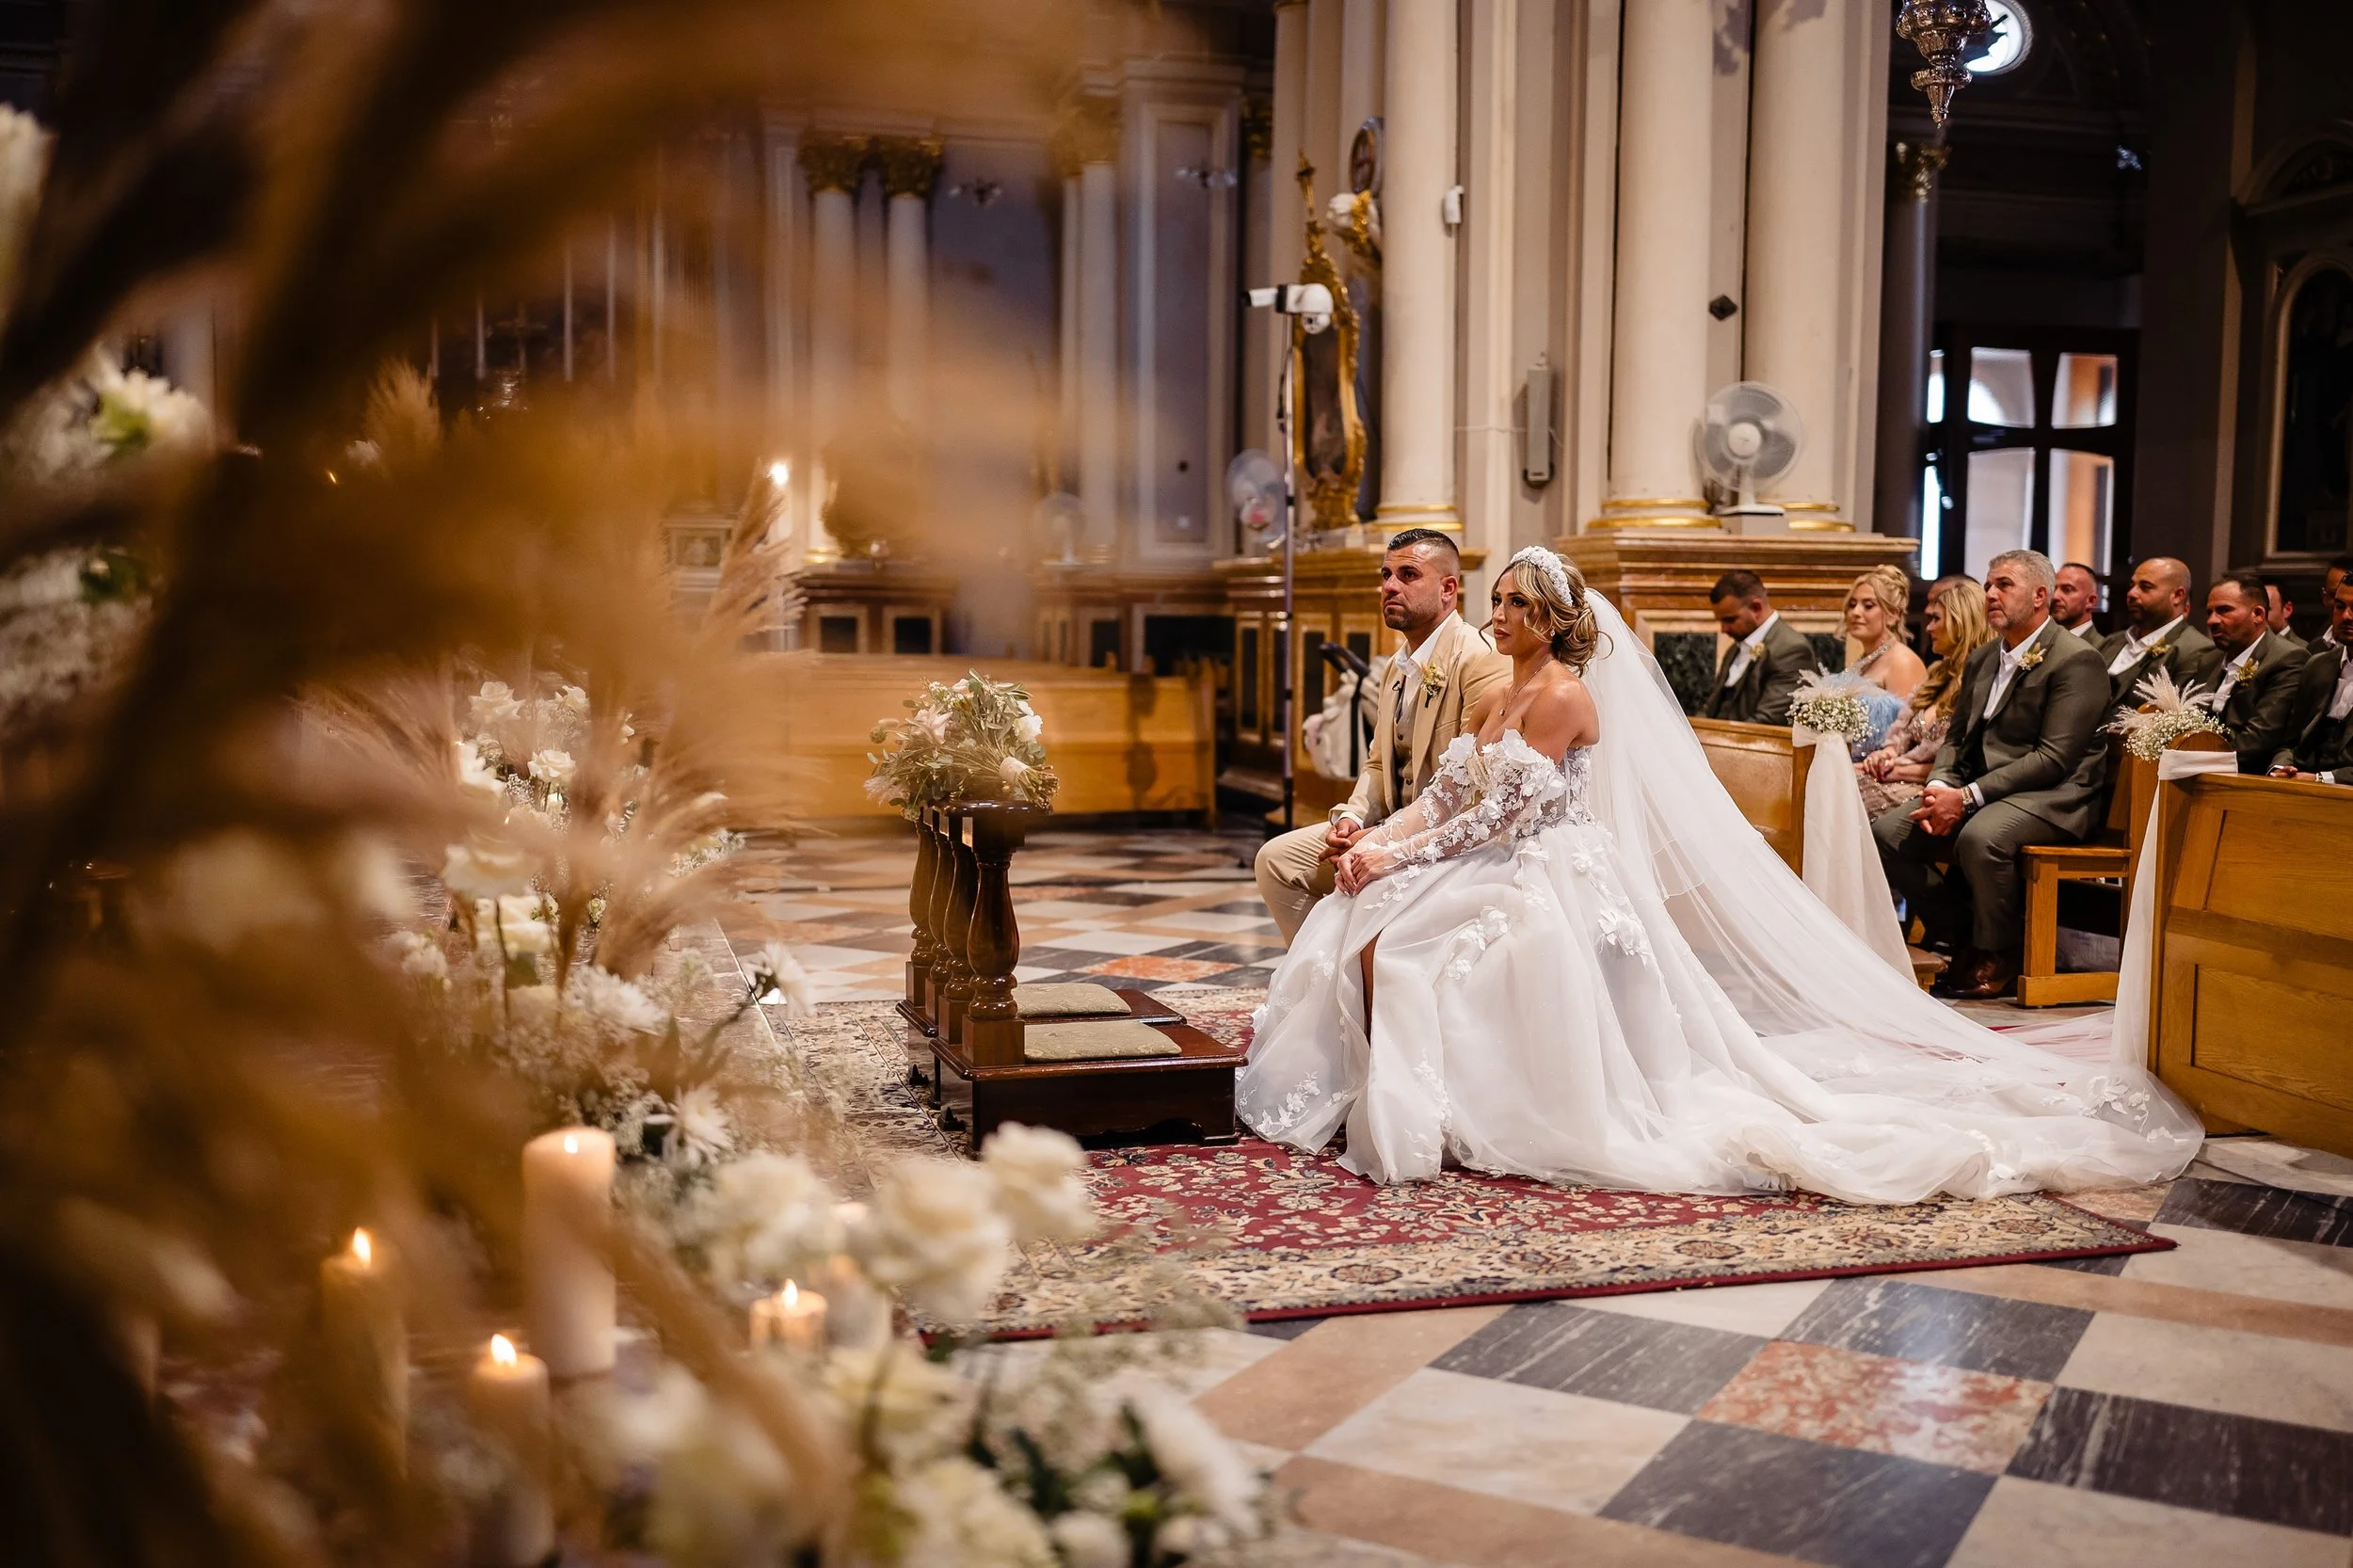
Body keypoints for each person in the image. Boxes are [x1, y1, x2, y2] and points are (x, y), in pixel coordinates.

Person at [1236, 546, 2199, 1202]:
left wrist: (1395, 855)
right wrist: (1379, 841)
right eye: (1495, 603)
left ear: (1549, 619)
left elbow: (1498, 813)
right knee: (1363, 920)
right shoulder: (1506, 690)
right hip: (1491, 853)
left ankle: (1449, 1111)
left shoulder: (1562, 694)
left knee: (1403, 942)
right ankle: (1370, 1091)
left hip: (1541, 868)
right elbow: (1451, 794)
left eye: (1511, 604)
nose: (1496, 615)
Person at [1873, 550, 2112, 1001]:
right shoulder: (1983, 658)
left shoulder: (2076, 660)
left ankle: (1999, 952)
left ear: (2040, 596)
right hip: (1984, 791)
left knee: (1980, 837)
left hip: (2055, 796)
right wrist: (1941, 786)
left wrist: (1965, 799)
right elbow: (1958, 739)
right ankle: (1964, 936)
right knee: (1889, 832)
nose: (1990, 594)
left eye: (2004, 585)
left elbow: (2054, 757)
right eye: (1988, 585)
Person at [1253, 529, 1509, 944]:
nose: (1389, 586)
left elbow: (1474, 790)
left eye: (1408, 575)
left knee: (1359, 874)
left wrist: (1378, 839)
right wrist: (1352, 819)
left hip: (1445, 840)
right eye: (1386, 574)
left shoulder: (1481, 661)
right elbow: (1377, 762)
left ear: (1448, 589)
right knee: (1277, 861)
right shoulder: (1396, 666)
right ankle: (1321, 984)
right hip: (1384, 825)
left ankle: (1362, 988)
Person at [1857, 579, 1992, 819]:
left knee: (1848, 794)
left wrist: (1894, 771)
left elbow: (1965, 766)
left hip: (1933, 789)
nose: (1928, 628)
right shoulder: (1937, 674)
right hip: (1897, 775)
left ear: (1961, 624)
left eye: (1936, 619)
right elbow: (1901, 732)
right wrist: (1886, 753)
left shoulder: (1982, 683)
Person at [2203, 572, 2311, 775]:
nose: (2212, 620)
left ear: (2258, 614)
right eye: (2209, 612)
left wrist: (2193, 760)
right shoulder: (2209, 659)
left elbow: (2258, 739)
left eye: (2224, 610)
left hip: (2247, 776)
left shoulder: (2287, 658)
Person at [2098, 556, 2221, 711]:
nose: (2132, 593)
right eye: (2132, 585)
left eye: (2145, 587)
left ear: (2177, 596)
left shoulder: (2197, 650)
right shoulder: (2111, 641)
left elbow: (2171, 718)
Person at [1703, 568, 1819, 725]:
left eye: (1730, 620)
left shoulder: (1792, 649)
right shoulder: (1735, 648)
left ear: (1756, 608)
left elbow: (1768, 720)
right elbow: (1711, 708)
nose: (1724, 629)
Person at [2269, 574, 2353, 785]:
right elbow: (2290, 742)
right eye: (2340, 606)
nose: (2346, 616)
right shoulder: (2317, 665)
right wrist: (2281, 767)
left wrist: (2321, 779)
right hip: (2302, 785)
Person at [1841, 567, 1926, 754]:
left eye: (1868, 605)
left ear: (1893, 615)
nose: (1855, 612)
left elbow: (1907, 736)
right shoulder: (1863, 660)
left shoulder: (1902, 662)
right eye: (1852, 604)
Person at [2051, 562, 2102, 640]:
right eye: (2053, 589)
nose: (2055, 596)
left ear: (2090, 601)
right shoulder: (2042, 642)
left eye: (2067, 590)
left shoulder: (2101, 650)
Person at [2266, 582, 2304, 650]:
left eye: (2267, 609)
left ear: (2287, 610)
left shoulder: (2300, 649)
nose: (2259, 617)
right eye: (2256, 611)